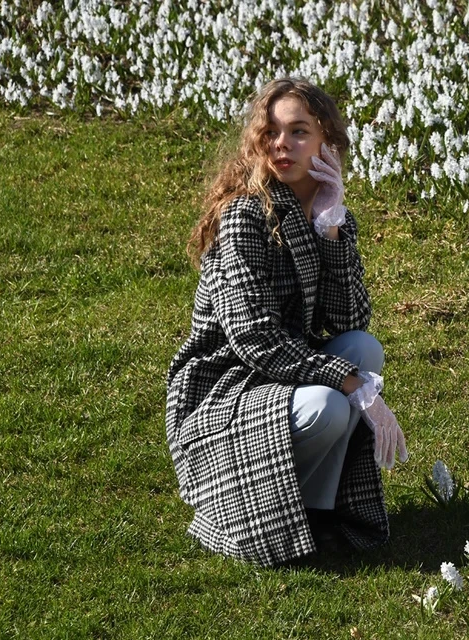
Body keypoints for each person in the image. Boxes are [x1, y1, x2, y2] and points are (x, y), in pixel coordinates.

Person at [165, 77, 408, 567]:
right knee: (332, 403)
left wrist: (332, 225)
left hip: (279, 371)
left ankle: (316, 514)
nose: (282, 144)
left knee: (363, 347)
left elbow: (348, 320)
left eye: (299, 131)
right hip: (225, 386)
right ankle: (247, 504)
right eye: (272, 132)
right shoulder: (244, 217)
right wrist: (352, 385)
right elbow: (254, 338)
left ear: (327, 143)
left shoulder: (322, 210)